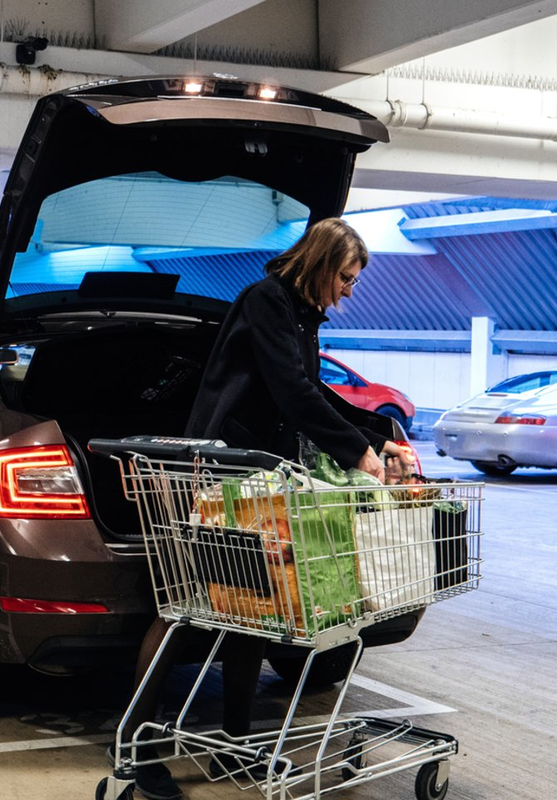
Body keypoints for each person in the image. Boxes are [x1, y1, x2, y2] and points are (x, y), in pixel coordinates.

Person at [118, 217, 416, 800]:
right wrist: (357, 451)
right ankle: (135, 745)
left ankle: (233, 742)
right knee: (189, 605)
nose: (349, 291)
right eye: (347, 277)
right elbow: (291, 392)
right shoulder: (266, 301)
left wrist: (378, 434)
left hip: (258, 479)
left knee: (253, 606)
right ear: (323, 263)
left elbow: (315, 390)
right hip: (223, 474)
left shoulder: (301, 315)